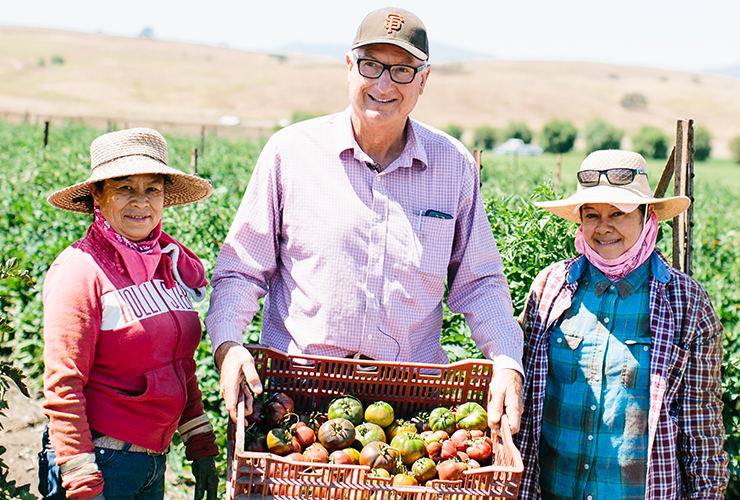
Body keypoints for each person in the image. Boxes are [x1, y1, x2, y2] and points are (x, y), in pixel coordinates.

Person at [205, 7, 524, 432]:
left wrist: (506, 361)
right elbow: (241, 270)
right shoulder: (291, 153)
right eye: (371, 65)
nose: (384, 83)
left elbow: (479, 281)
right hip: (294, 404)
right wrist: (228, 346)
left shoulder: (453, 165)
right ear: (350, 68)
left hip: (411, 411)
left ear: (423, 81)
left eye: (403, 70)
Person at [515, 149, 729, 499]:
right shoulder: (551, 288)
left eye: (619, 213)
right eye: (592, 214)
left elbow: (701, 426)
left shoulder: (685, 303)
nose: (604, 227)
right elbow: (521, 394)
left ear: (648, 217)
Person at [40, 128, 219, 500]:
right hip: (102, 462)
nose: (141, 202)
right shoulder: (80, 270)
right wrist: (83, 480)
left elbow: (179, 363)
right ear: (97, 196)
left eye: (152, 189)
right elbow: (63, 385)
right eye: (124, 188)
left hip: (152, 463)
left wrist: (199, 441)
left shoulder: (167, 265)